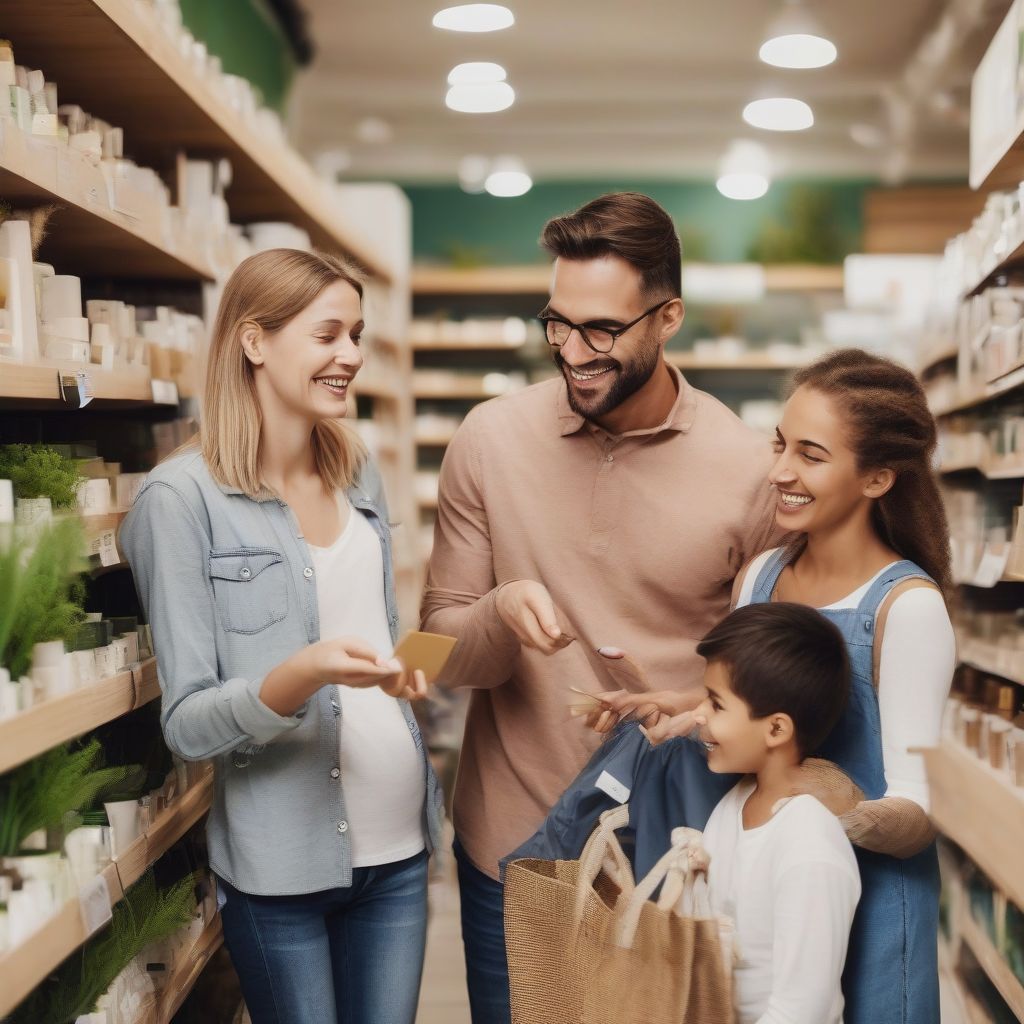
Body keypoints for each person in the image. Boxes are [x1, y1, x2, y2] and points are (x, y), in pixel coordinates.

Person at [421, 191, 781, 1023]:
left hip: (669, 847)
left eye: (602, 332)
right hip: (511, 842)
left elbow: (771, 682)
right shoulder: (488, 439)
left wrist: (691, 709)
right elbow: (430, 656)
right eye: (556, 323)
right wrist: (498, 612)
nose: (572, 352)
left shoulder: (747, 470)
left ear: (669, 318)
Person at [120, 248, 444, 1024]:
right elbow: (189, 724)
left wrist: (405, 671)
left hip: (400, 844)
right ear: (254, 341)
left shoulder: (356, 471)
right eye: (329, 334)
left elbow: (375, 632)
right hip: (279, 868)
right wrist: (300, 674)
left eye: (357, 335)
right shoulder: (180, 500)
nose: (353, 356)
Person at [611, 348, 954, 1023]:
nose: (780, 472)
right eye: (780, 445)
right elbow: (769, 701)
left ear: (877, 478)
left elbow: (919, 815)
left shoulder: (907, 607)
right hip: (763, 900)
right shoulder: (763, 574)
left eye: (811, 455)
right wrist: (691, 706)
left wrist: (825, 815)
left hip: (868, 904)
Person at [694, 602, 861, 1024]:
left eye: (716, 705)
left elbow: (802, 1009)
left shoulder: (809, 845)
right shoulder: (735, 803)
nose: (698, 715)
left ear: (775, 729)